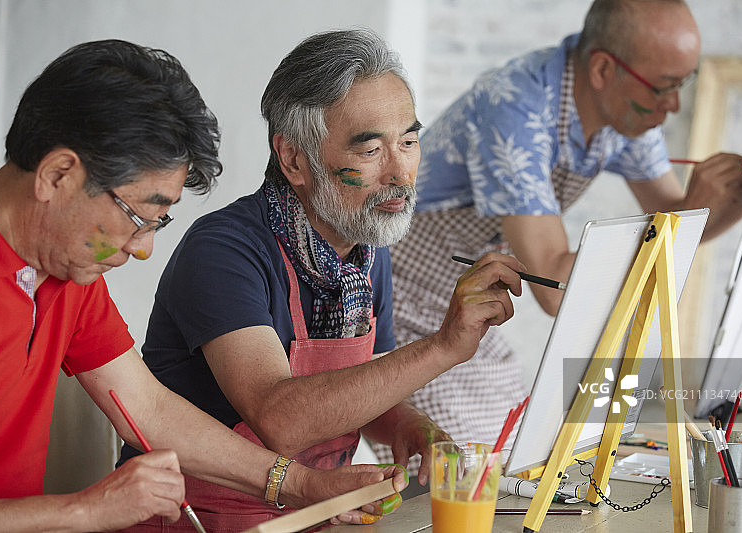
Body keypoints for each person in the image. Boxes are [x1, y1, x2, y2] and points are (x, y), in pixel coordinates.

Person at [0, 39, 410, 533]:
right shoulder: (204, 248)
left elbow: (148, 408)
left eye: (157, 223)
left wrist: (301, 485)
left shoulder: (64, 268)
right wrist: (85, 510)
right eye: (136, 217)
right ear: (59, 174)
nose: (142, 249)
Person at [117, 28, 525, 530]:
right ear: (293, 159)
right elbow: (281, 420)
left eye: (410, 141)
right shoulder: (224, 250)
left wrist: (410, 425)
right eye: (371, 150)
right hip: (200, 519)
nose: (400, 173)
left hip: (318, 515)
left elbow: (361, 391)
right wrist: (444, 346)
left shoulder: (367, 247)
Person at [374, 0, 742, 468]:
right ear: (602, 69)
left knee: (519, 456)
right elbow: (555, 287)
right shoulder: (515, 107)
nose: (674, 105)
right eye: (664, 88)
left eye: (683, 84)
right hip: (400, 306)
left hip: (470, 299)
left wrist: (731, 202)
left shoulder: (627, 108)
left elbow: (670, 222)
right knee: (462, 472)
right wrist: (696, 211)